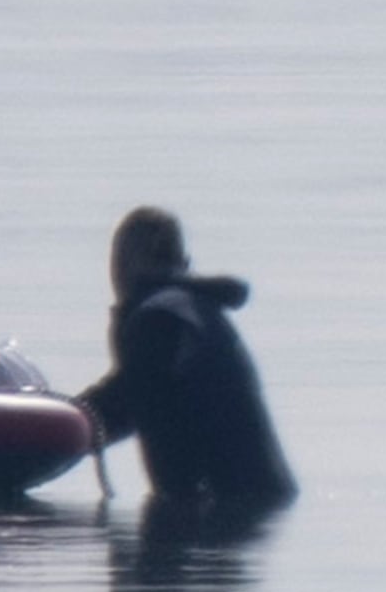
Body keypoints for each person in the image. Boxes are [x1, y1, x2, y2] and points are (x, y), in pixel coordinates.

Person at [76, 206, 297, 504]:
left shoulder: (159, 319)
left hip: (221, 517)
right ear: (184, 262)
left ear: (120, 266)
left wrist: (51, 425)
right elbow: (133, 400)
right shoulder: (195, 311)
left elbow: (124, 399)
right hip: (257, 508)